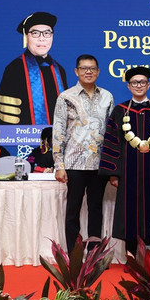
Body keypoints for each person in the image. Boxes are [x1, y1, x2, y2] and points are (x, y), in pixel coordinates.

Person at [99, 66, 150, 256]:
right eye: (134, 82)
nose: (139, 85)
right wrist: (114, 173)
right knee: (129, 215)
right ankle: (131, 257)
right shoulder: (119, 111)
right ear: (128, 86)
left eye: (142, 82)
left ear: (148, 85)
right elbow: (112, 142)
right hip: (128, 173)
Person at [53, 54, 114, 252]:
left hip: (99, 164)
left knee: (96, 209)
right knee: (73, 210)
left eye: (92, 69)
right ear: (76, 71)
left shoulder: (107, 97)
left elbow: (112, 134)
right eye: (84, 68)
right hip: (74, 164)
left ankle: (95, 253)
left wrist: (112, 165)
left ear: (98, 72)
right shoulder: (66, 97)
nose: (89, 72)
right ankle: (74, 254)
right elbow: (58, 131)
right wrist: (59, 165)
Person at [0, 12, 68, 125]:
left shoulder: (59, 70)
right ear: (26, 36)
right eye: (35, 33)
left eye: (47, 33)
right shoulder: (14, 69)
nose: (42, 39)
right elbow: (8, 119)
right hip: (24, 139)